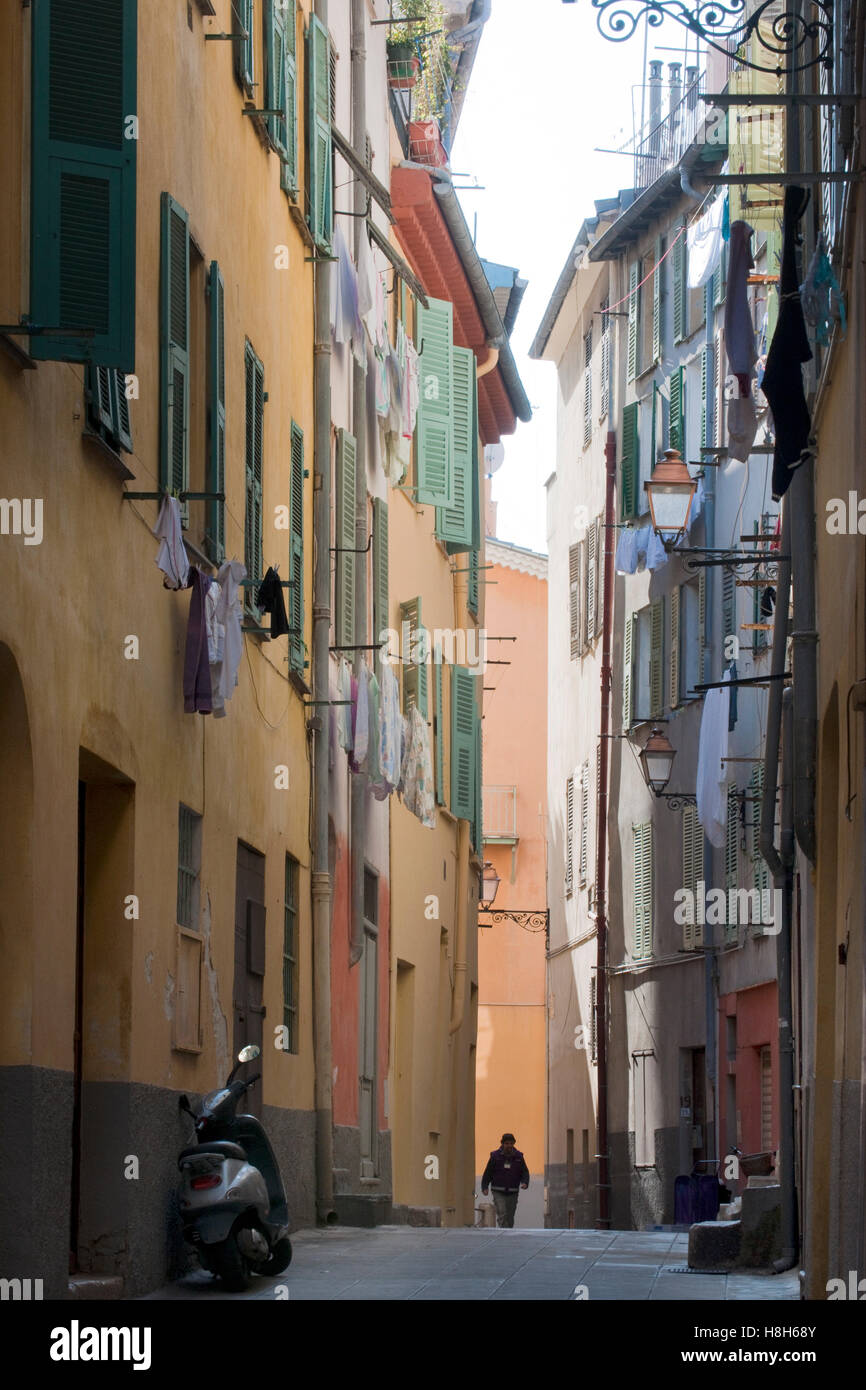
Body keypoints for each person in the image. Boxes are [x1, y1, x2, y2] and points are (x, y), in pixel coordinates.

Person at [480, 1133, 529, 1228]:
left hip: (513, 1191)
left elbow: (525, 1172)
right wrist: (484, 1187)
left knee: (510, 1216)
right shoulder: (495, 1156)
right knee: (502, 1212)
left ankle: (508, 1231)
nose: (509, 1146)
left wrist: (525, 1182)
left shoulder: (519, 1157)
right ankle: (503, 1232)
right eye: (507, 1143)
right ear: (502, 1144)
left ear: (514, 1143)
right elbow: (488, 1172)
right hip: (498, 1190)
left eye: (511, 1143)